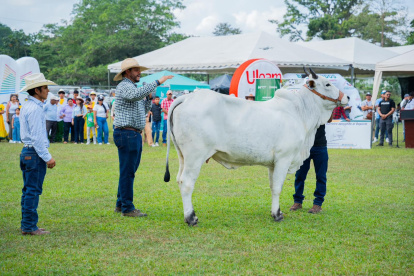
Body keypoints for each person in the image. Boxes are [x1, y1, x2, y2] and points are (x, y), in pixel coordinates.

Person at [113, 57, 173, 217]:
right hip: (126, 133)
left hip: (132, 134)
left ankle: (121, 203)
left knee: (128, 170)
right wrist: (157, 82)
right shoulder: (124, 86)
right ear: (127, 72)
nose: (139, 73)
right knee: (128, 171)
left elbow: (142, 108)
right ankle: (127, 208)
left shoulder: (132, 87)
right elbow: (134, 96)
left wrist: (148, 99)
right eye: (136, 70)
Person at [19, 73, 57, 235]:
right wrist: (47, 157)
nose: (48, 90)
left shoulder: (28, 105)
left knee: (28, 190)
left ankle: (28, 223)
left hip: (28, 152)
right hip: (34, 154)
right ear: (37, 90)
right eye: (45, 87)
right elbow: (37, 137)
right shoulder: (35, 109)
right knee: (33, 190)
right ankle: (29, 226)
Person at [290, 115, 333, 214]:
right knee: (300, 175)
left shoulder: (322, 106)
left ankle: (318, 203)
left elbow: (329, 119)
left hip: (320, 146)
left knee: (321, 176)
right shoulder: (305, 106)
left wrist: (331, 108)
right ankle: (297, 201)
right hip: (304, 146)